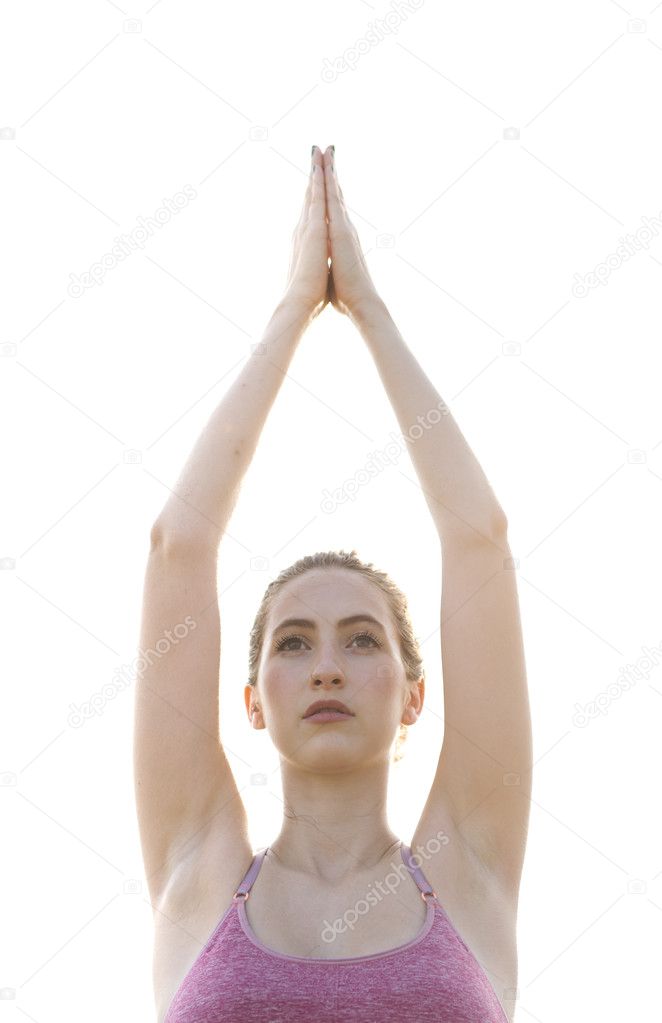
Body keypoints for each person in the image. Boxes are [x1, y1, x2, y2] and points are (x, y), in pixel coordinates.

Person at [135, 144, 532, 1023]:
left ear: (415, 695)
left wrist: (369, 309)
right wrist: (289, 312)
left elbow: (480, 541)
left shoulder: (470, 864)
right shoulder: (198, 872)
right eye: (293, 642)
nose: (326, 666)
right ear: (250, 700)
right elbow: (177, 550)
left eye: (361, 639)